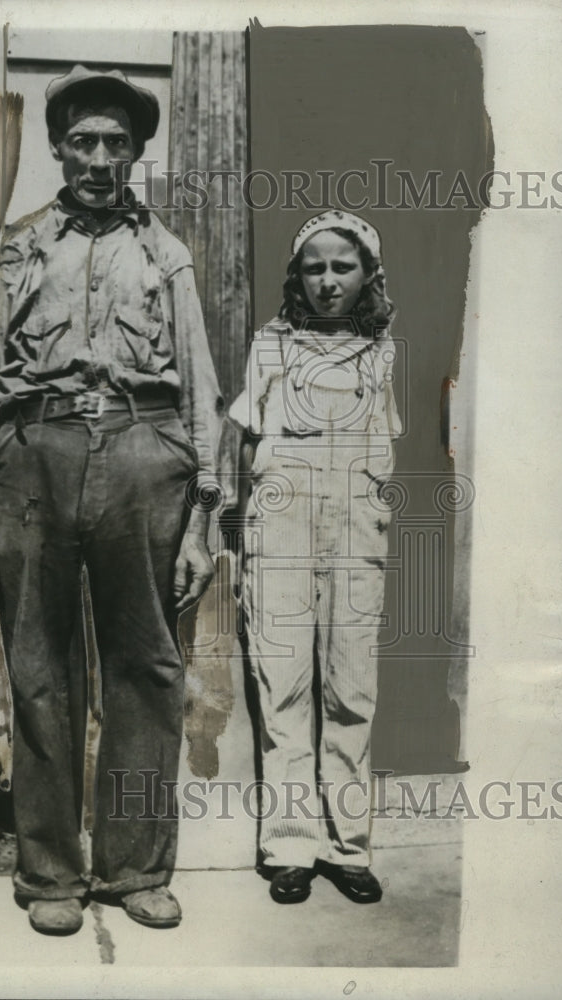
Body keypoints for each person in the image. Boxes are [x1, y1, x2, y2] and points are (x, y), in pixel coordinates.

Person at [0, 65, 223, 936]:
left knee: (146, 669)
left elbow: (200, 390)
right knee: (40, 667)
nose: (100, 158)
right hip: (35, 456)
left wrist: (204, 520)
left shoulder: (166, 252)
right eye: (83, 142)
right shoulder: (24, 247)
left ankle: (135, 869)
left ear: (137, 152)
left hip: (147, 455)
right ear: (60, 149)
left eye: (117, 143)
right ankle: (50, 876)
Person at [229, 210, 401, 906]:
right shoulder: (269, 348)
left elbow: (386, 446)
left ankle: (348, 846)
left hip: (355, 524)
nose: (329, 281)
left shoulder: (384, 352)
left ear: (368, 275)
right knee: (284, 681)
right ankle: (292, 846)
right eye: (315, 267)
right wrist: (239, 523)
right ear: (297, 277)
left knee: (350, 684)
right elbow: (241, 439)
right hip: (283, 522)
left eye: (344, 266)